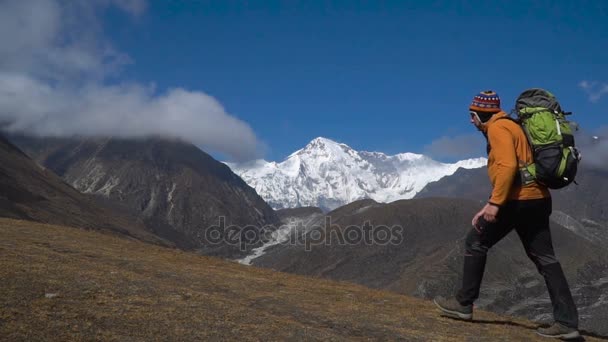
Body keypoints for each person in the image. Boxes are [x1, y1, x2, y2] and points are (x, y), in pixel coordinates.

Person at [433, 90, 580, 339]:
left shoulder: (498, 128)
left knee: (476, 242)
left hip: (517, 201)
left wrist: (494, 204)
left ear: (481, 113)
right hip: (538, 200)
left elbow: (508, 166)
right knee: (546, 259)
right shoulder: (513, 126)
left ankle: (463, 304)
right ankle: (567, 323)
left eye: (472, 115)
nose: (471, 120)